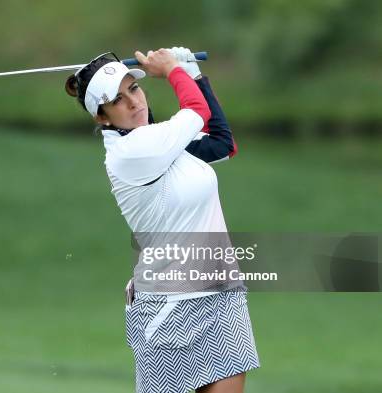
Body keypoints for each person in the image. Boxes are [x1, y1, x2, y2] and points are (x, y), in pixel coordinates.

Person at [65, 48, 260, 393]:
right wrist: (173, 71)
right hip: (169, 306)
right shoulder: (133, 153)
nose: (133, 102)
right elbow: (196, 111)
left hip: (220, 293)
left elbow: (221, 144)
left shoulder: (165, 139)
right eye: (118, 99)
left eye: (134, 89)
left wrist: (194, 74)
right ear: (102, 117)